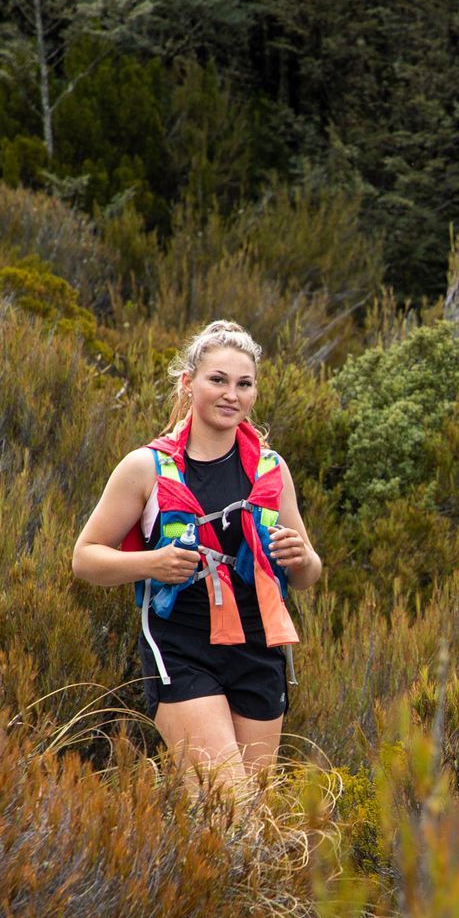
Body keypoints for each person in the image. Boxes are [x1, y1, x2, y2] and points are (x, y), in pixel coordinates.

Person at [72, 320, 322, 790]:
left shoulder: (272, 469)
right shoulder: (146, 467)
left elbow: (308, 573)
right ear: (188, 385)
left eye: (243, 384)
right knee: (230, 809)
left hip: (259, 648)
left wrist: (301, 557)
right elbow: (85, 558)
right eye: (218, 380)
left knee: (254, 820)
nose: (232, 395)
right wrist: (152, 564)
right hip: (182, 648)